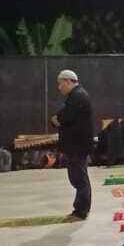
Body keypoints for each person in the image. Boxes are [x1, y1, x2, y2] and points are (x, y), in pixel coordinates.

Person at [51, 70, 93, 221]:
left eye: (60, 84)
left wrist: (58, 120)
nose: (59, 87)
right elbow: (61, 116)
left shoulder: (77, 96)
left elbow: (64, 117)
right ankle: (81, 208)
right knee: (77, 176)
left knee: (79, 178)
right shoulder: (75, 96)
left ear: (68, 81)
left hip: (78, 145)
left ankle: (81, 210)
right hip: (76, 145)